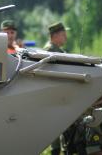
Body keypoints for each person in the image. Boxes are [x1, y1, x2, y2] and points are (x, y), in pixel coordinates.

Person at [44, 22, 69, 155]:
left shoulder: (55, 49)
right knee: (57, 125)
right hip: (54, 94)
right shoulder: (50, 51)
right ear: (55, 35)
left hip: (58, 93)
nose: (66, 38)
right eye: (63, 35)